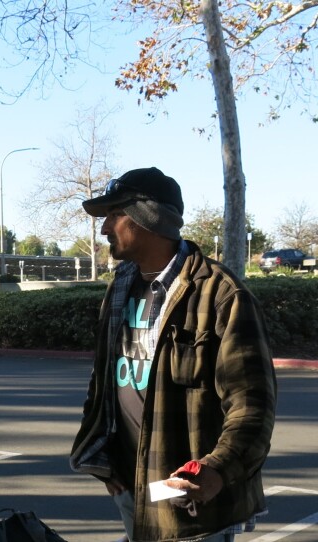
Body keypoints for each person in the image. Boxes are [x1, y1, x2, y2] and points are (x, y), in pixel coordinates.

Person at [69, 167, 277, 542]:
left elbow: (252, 405)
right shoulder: (120, 286)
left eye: (114, 215)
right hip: (129, 482)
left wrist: (217, 468)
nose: (103, 229)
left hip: (187, 497)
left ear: (147, 217)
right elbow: (103, 379)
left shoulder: (220, 295)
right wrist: (102, 455)